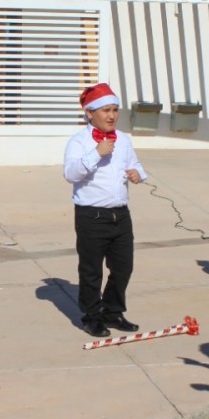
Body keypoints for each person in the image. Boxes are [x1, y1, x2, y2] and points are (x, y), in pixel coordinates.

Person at [63, 83, 146, 338]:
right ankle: (92, 316)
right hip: (91, 216)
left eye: (115, 110)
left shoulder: (123, 140)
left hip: (120, 214)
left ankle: (113, 312)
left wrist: (138, 174)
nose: (111, 116)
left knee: (123, 267)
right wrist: (96, 154)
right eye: (105, 110)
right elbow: (70, 174)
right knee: (91, 271)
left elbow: (136, 164)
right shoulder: (79, 141)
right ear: (90, 113)